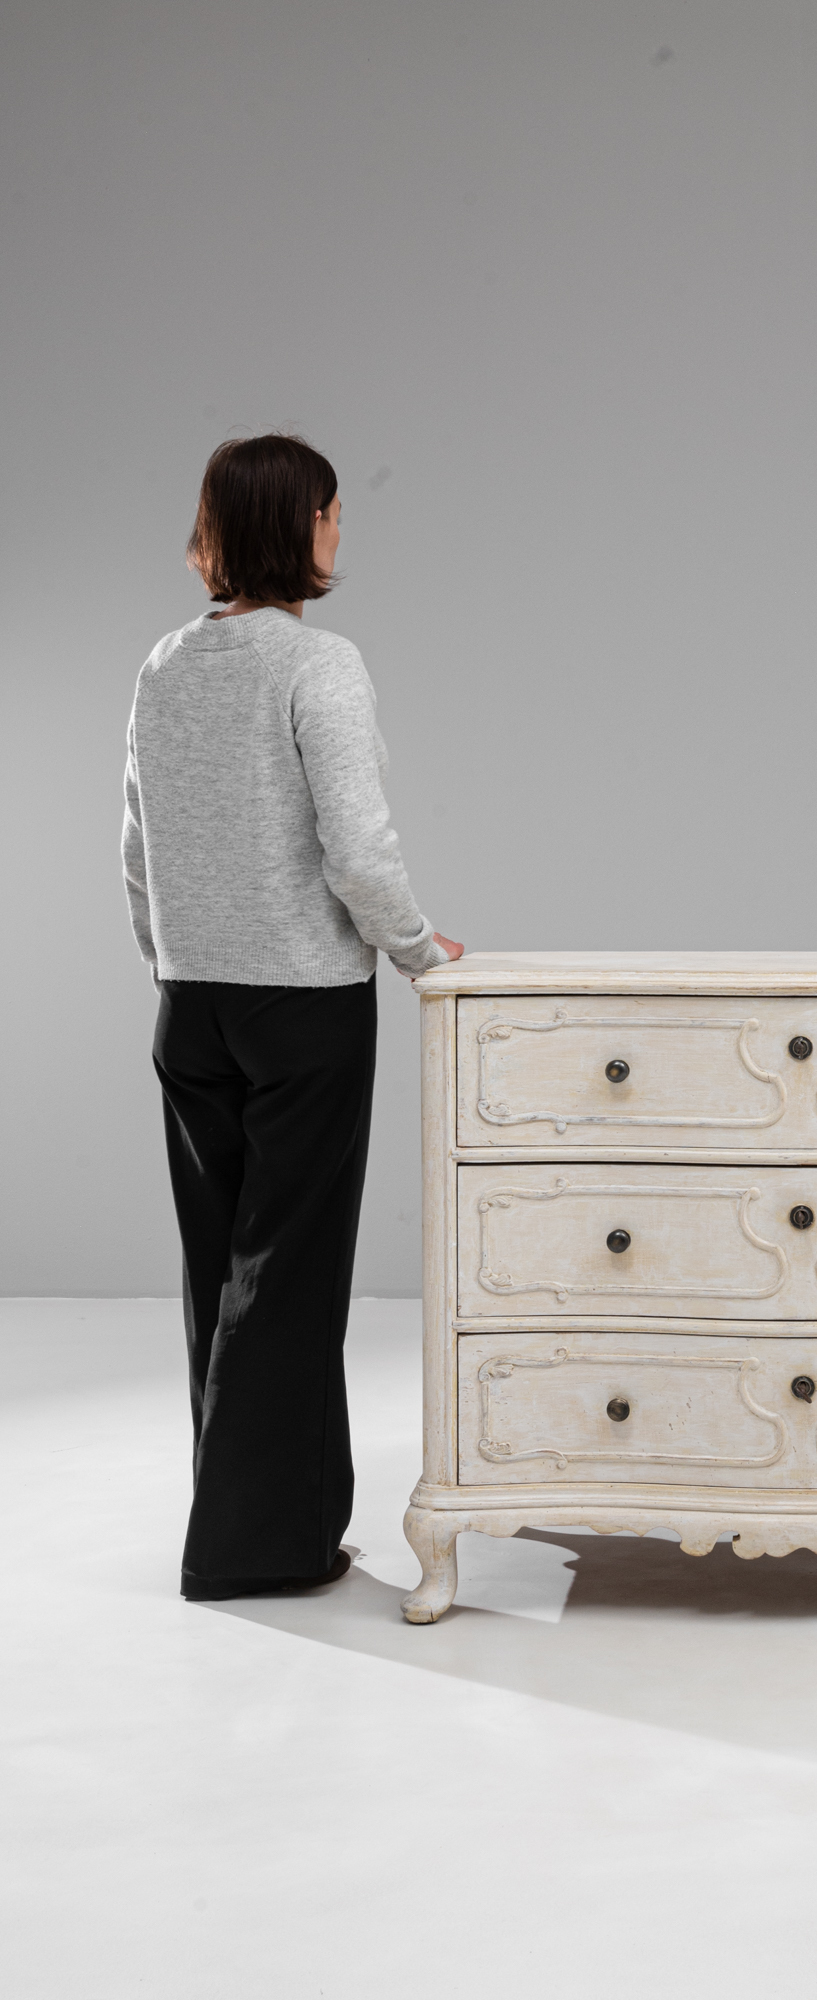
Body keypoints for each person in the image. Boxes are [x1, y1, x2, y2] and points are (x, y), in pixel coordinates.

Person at [122, 433, 462, 1602]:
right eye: (330, 512)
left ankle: (273, 1525)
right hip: (304, 1006)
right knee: (290, 1279)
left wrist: (174, 960)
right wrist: (416, 948)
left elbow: (136, 846)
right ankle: (253, 1547)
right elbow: (357, 849)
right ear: (296, 527)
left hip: (191, 1006)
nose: (338, 529)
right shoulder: (320, 666)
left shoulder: (164, 665)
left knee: (220, 1271)